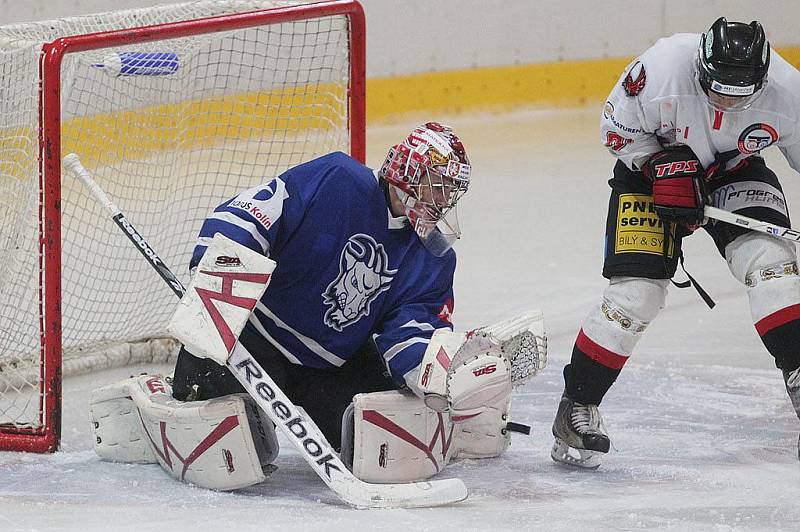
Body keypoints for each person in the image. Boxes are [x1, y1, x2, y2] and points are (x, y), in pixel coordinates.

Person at [89, 122, 543, 489]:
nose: (443, 200)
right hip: (248, 336)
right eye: (436, 186)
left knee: (384, 448)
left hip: (328, 365)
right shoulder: (338, 180)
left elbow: (409, 326)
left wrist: (434, 368)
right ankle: (144, 404)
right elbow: (254, 214)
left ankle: (455, 422)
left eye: (450, 191)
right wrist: (222, 267)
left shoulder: (432, 255)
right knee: (218, 452)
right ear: (406, 174)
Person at [551, 17, 800, 469]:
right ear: (700, 68)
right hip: (652, 172)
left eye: (739, 93)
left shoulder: (789, 92)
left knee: (772, 266)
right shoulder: (662, 66)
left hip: (734, 171)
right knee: (635, 295)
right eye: (717, 88)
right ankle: (577, 406)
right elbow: (615, 130)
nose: (726, 100)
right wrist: (656, 166)